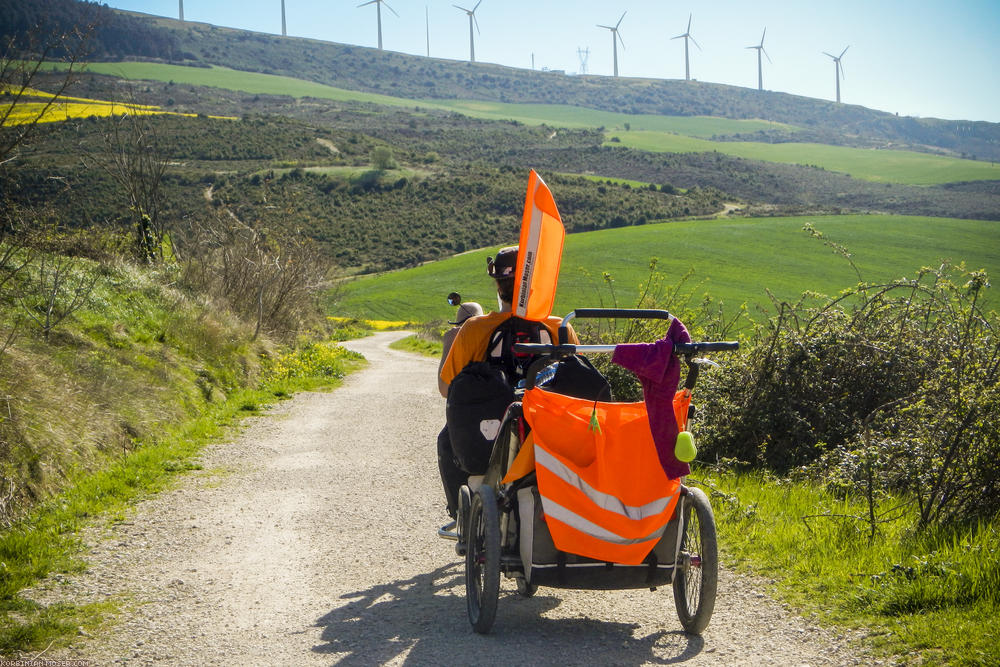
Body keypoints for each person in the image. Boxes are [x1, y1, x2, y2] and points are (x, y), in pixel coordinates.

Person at [437, 245, 578, 534]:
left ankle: (462, 518)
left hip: (491, 429)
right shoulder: (558, 327)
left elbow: (446, 389)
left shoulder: (474, 329)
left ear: (497, 284)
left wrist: (447, 347)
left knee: (446, 439)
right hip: (550, 425)